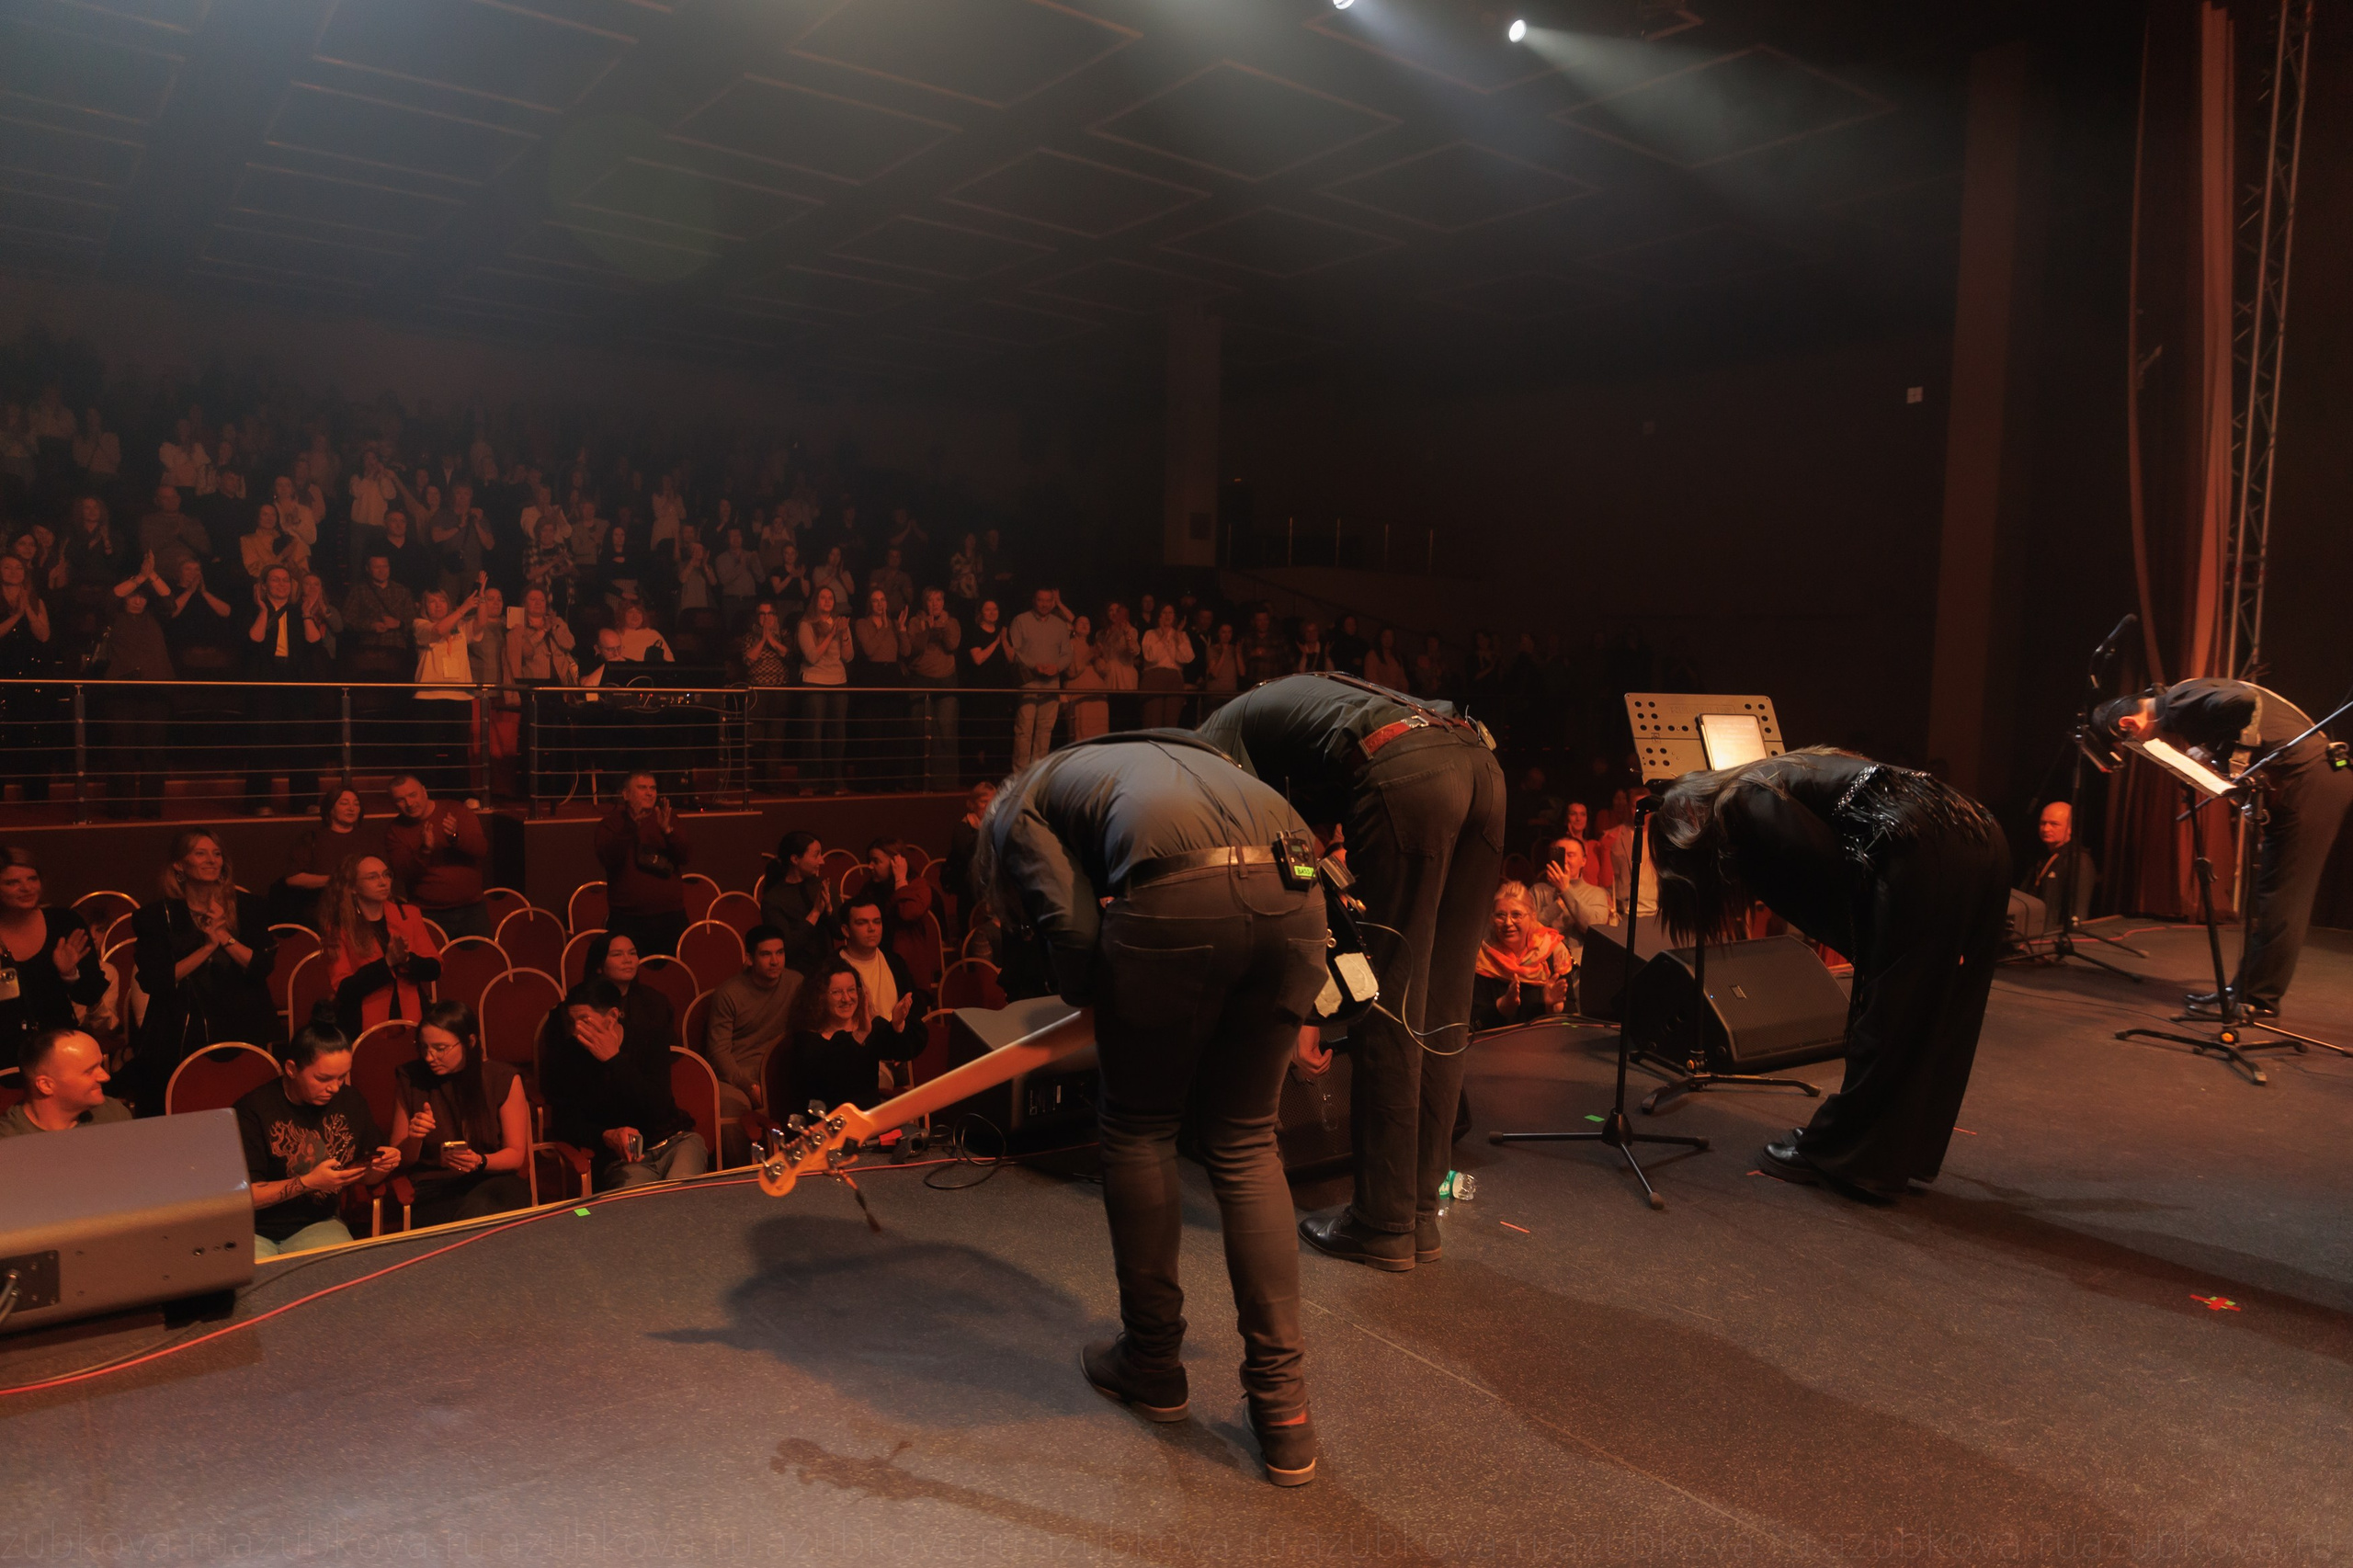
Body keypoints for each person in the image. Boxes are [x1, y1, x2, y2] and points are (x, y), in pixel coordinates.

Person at [973, 731, 1329, 1485]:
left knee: (1138, 1127)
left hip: (1179, 897)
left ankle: (1153, 1364)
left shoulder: (1017, 806)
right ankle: (1285, 1412)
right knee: (1246, 1141)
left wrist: (1102, 980)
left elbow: (1070, 937)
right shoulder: (1183, 757)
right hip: (1301, 894)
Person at [1199, 673, 1504, 1274]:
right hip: (1482, 767)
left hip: (1407, 771)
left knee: (1386, 1000)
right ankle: (1417, 1212)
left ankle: (1383, 1225)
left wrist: (1295, 1005)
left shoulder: (1211, 741)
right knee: (1442, 1002)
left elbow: (1251, 856)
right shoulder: (1311, 704)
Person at [1649, 748, 2009, 1201]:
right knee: (1942, 1008)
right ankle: (1899, 1151)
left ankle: (1845, 1154)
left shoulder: (1740, 800)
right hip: (1978, 831)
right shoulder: (1771, 775)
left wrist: (1874, 949)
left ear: (1689, 823)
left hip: (1922, 840)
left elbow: (1828, 866)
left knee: (1888, 1011)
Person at [2097, 678, 2350, 1017]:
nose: (2139, 743)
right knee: (2268, 895)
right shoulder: (2182, 700)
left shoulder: (2176, 702)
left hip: (2311, 782)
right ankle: (2242, 989)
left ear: (2129, 724)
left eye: (2128, 741)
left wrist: (2214, 746)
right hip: (2304, 783)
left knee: (2283, 897)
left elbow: (2241, 700)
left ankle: (2257, 1001)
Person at [128, 832, 281, 1112]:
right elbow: (155, 980)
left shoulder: (249, 907)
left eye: (217, 854)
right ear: (179, 865)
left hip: (242, 1025)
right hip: (180, 1032)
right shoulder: (156, 916)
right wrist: (207, 948)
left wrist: (224, 937)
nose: (212, 860)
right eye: (200, 853)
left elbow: (262, 967)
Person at [235, 1008, 402, 1256]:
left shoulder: (351, 1101)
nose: (334, 1088)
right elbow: (242, 1197)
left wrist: (380, 1167)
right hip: (254, 1229)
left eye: (342, 1077)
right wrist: (307, 1183)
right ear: (291, 1069)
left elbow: (366, 1178)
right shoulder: (254, 1109)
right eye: (323, 1078)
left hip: (317, 1224)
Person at [540, 978, 708, 1190]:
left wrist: (615, 1061)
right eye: (572, 1022)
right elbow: (565, 1123)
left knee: (679, 1193)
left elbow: (659, 1108)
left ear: (611, 1017)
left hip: (675, 1143)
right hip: (623, 1159)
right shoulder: (568, 1056)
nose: (576, 1030)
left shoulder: (649, 1039)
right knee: (639, 1205)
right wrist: (607, 1135)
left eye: (584, 1021)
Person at [387, 1000, 534, 1226]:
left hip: (491, 1177)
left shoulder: (501, 1077)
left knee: (482, 1207)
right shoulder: (411, 1077)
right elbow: (401, 1160)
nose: (429, 1057)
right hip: (434, 1185)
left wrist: (480, 1161)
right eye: (424, 1047)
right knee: (466, 1221)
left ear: (470, 1042)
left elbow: (515, 1155)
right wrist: (415, 1137)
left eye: (440, 1048)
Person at [700, 924, 801, 1153]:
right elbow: (718, 1053)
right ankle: (742, 1178)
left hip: (780, 1068)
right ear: (750, 958)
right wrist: (748, 1086)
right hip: (736, 1075)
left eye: (780, 953)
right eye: (766, 954)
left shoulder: (795, 983)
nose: (775, 961)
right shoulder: (729, 993)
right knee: (733, 1110)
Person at [320, 854, 443, 1039]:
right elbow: (344, 989)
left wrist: (407, 960)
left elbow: (435, 969)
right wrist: (387, 963)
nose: (383, 882)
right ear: (353, 887)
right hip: (364, 1023)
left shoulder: (408, 915)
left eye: (386, 875)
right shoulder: (339, 928)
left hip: (412, 1017)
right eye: (372, 877)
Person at [781, 954, 920, 1116]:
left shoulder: (870, 1025)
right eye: (836, 992)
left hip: (869, 1124)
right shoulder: (806, 1038)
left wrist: (897, 1024)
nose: (846, 999)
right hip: (827, 1126)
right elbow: (833, 1078)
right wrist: (859, 1035)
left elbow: (903, 1049)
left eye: (851, 990)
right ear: (820, 997)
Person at [0, 846, 105, 1058]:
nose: (27, 888)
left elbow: (91, 994)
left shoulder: (63, 923)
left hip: (58, 1047)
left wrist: (70, 974)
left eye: (32, 879)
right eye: (13, 882)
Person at [381, 774, 492, 938]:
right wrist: (425, 850)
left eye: (413, 795)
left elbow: (481, 850)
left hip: (472, 909)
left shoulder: (455, 810)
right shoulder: (396, 830)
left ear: (424, 791)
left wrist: (456, 839)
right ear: (393, 804)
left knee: (481, 963)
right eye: (401, 800)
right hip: (427, 913)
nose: (410, 804)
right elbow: (402, 873)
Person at [596, 770, 691, 957]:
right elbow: (609, 858)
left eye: (653, 788)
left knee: (677, 974)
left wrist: (668, 832)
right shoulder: (611, 824)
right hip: (629, 920)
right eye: (642, 788)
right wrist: (631, 828)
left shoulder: (667, 818)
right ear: (625, 794)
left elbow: (685, 856)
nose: (650, 793)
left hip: (671, 917)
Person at [1472, 881, 1574, 1030]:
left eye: (1516, 915)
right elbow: (1470, 1024)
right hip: (1493, 1049)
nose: (1508, 923)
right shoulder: (1481, 957)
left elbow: (1573, 1017)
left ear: (1532, 917)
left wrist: (1553, 1008)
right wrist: (1500, 1008)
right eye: (1500, 915)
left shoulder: (1554, 951)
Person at [274, 786, 373, 927]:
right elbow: (293, 878)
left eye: (356, 804)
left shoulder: (368, 839)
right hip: (323, 912)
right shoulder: (312, 838)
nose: (351, 808)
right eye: (344, 803)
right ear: (330, 809)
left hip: (364, 911)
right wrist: (336, 880)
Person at [3, 1028, 131, 1136]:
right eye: (89, 1071)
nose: (105, 1077)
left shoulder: (113, 1114)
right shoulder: (8, 1140)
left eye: (100, 1065)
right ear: (46, 1085)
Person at [1006, 586, 1073, 769]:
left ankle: (1036, 775)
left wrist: (1056, 667)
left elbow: (1067, 654)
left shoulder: (1059, 625)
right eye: (1040, 600)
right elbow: (1014, 651)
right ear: (1034, 600)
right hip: (1028, 683)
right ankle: (1020, 776)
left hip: (1051, 685)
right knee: (1024, 731)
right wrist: (1034, 666)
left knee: (1045, 731)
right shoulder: (1021, 620)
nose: (1044, 604)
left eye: (1048, 601)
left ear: (1053, 602)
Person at [2010, 801, 2097, 941]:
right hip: (2030, 935)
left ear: (2070, 828)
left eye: (2054, 824)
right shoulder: (2041, 857)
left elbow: (2078, 913)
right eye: (2043, 823)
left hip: (2053, 940)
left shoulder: (2078, 861)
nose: (2046, 829)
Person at [582, 930, 676, 1059]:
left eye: (632, 953)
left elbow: (669, 1054)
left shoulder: (655, 1002)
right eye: (617, 955)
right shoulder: (583, 1005)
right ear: (599, 965)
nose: (627, 960)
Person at [904, 586, 961, 791]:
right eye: (931, 600)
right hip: (920, 680)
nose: (935, 603)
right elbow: (913, 649)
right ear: (924, 602)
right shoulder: (914, 621)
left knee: (946, 732)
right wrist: (927, 628)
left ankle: (945, 783)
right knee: (920, 731)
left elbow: (952, 644)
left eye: (939, 599)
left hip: (946, 682)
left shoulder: (951, 622)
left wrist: (941, 626)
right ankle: (918, 781)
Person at [796, 585, 851, 792]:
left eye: (831, 598)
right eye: (823, 598)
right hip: (814, 680)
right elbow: (812, 656)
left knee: (838, 735)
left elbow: (848, 656)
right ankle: (808, 781)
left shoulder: (840, 623)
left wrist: (844, 634)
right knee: (813, 734)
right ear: (815, 601)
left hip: (838, 681)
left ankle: (835, 780)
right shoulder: (806, 624)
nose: (827, 601)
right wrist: (832, 634)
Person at [836, 890, 919, 1026]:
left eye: (877, 922)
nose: (872, 928)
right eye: (862, 923)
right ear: (846, 930)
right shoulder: (832, 969)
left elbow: (914, 1014)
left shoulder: (896, 963)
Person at [758, 831, 835, 976]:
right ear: (794, 859)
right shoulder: (774, 899)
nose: (822, 861)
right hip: (797, 976)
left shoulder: (822, 886)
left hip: (828, 971)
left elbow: (839, 932)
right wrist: (816, 912)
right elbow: (787, 947)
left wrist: (829, 908)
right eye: (816, 855)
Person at [1527, 835, 1611, 949]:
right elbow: (1528, 929)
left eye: (1570, 855)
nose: (1565, 861)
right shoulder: (1537, 891)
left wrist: (1566, 890)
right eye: (1560, 854)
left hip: (1578, 962)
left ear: (1583, 861)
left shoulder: (1597, 894)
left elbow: (1594, 928)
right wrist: (1557, 906)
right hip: (1541, 960)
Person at [1138, 604, 1194, 731]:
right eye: (1164, 612)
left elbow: (1187, 658)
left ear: (1175, 616)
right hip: (1154, 678)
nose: (1167, 616)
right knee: (1153, 720)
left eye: (1170, 613)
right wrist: (1163, 636)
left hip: (1174, 679)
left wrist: (1178, 638)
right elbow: (1151, 657)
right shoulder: (1150, 634)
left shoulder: (1181, 635)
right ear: (1159, 615)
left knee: (1171, 722)